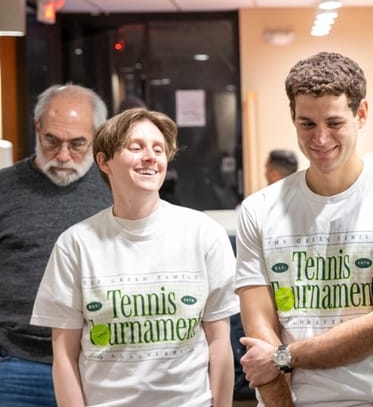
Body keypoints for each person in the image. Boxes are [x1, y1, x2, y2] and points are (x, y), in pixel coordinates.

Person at [30, 108, 238, 406]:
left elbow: (219, 344)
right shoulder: (75, 244)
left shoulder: (204, 234)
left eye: (158, 149)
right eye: (136, 147)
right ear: (104, 161)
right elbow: (64, 354)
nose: (151, 156)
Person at [235, 51, 373, 406]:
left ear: (361, 114)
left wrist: (285, 357)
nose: (321, 138)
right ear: (292, 118)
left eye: (334, 122)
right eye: (307, 124)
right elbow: (259, 331)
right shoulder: (259, 209)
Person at [0, 84, 112, 406]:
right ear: (37, 128)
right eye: (52, 141)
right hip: (17, 364)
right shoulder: (5, 188)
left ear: (97, 134)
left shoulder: (117, 189)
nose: (63, 156)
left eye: (77, 144)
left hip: (100, 363)